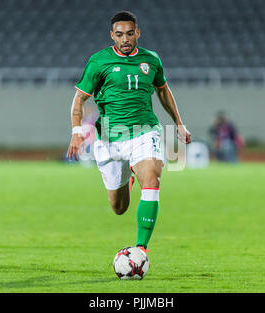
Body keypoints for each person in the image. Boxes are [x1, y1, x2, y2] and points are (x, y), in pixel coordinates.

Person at [66, 11, 191, 255]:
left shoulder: (151, 60)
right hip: (110, 138)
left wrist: (178, 122)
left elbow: (163, 91)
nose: (125, 39)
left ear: (138, 33)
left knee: (153, 179)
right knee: (119, 207)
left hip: (145, 131)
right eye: (120, 34)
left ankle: (141, 250)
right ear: (112, 35)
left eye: (130, 34)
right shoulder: (99, 61)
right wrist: (76, 131)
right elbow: (79, 100)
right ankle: (129, 176)